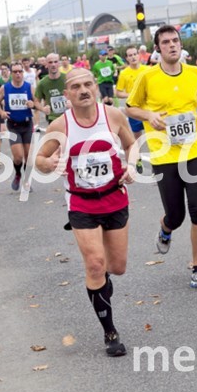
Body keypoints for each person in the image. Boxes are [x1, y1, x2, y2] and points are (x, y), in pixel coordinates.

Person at [35, 68, 138, 357]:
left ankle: (102, 282)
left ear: (95, 87)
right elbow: (40, 159)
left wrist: (132, 165)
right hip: (81, 203)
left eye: (88, 84)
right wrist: (49, 163)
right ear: (66, 94)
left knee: (116, 267)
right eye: (76, 86)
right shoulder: (60, 125)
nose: (83, 90)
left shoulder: (112, 116)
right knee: (94, 264)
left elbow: (131, 145)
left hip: (114, 198)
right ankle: (110, 332)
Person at [126, 25, 197, 290]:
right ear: (158, 48)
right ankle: (166, 228)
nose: (172, 45)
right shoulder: (147, 77)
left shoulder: (194, 73)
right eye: (165, 42)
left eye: (175, 40)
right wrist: (149, 115)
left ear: (181, 44)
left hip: (194, 149)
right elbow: (130, 108)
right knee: (176, 216)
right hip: (163, 154)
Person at [0, 61, 35, 191]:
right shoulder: (5, 88)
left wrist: (33, 104)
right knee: (18, 157)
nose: (18, 74)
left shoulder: (29, 87)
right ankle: (18, 174)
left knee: (28, 156)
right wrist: (1, 112)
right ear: (11, 73)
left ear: (23, 73)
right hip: (13, 125)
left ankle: (27, 181)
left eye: (20, 71)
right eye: (15, 72)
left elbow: (36, 102)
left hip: (27, 124)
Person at [115, 46, 148, 173]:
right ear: (127, 58)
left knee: (154, 135)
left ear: (139, 55)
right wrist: (131, 95)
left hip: (148, 109)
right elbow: (118, 93)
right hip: (133, 110)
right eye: (130, 55)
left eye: (135, 54)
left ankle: (159, 163)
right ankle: (138, 159)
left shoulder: (147, 70)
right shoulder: (124, 74)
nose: (133, 57)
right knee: (137, 137)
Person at [34, 53, 69, 128]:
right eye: (50, 62)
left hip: (69, 116)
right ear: (46, 64)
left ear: (59, 63)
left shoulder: (67, 78)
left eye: (55, 62)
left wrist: (72, 103)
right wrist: (43, 109)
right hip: (53, 118)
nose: (53, 64)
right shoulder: (42, 83)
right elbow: (36, 101)